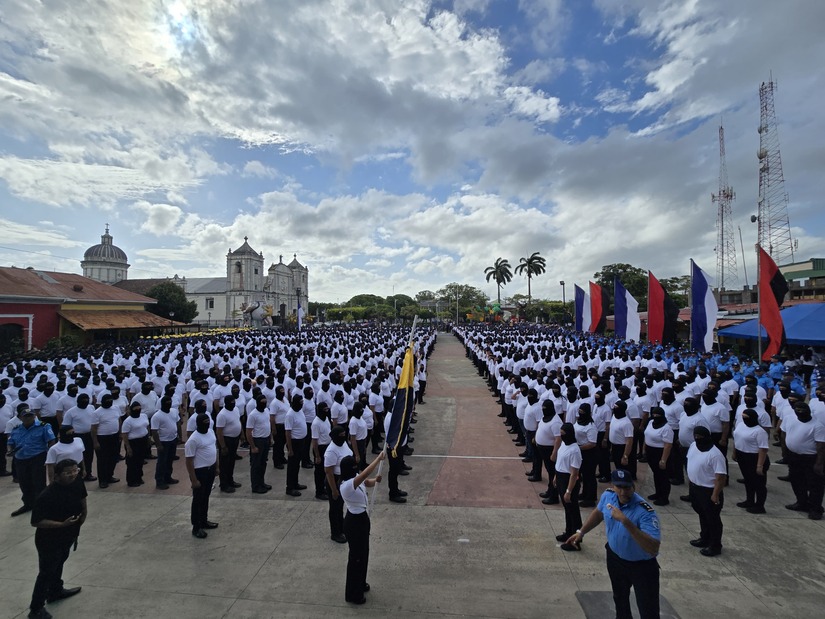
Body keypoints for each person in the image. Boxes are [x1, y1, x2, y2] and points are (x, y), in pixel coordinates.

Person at [566, 469, 661, 619]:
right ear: (613, 486)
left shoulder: (645, 512)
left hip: (642, 567)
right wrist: (581, 532)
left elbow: (653, 547)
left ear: (633, 487)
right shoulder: (608, 496)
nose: (623, 492)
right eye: (619, 487)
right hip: (615, 560)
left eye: (627, 487)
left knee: (648, 608)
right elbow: (598, 514)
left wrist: (626, 521)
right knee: (620, 599)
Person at [27, 459, 87, 619]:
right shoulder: (47, 495)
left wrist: (84, 515)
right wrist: (61, 524)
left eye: (75, 470)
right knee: (46, 572)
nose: (73, 474)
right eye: (68, 472)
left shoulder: (78, 482)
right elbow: (36, 521)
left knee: (59, 562)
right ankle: (36, 609)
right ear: (57, 475)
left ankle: (55, 591)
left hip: (69, 534)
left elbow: (82, 497)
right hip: (49, 540)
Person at [340, 451, 385, 605]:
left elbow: (366, 482)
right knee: (356, 558)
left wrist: (375, 480)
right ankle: (353, 593)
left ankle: (360, 583)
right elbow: (365, 474)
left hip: (362, 519)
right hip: (354, 522)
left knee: (364, 554)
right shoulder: (346, 486)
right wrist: (378, 459)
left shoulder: (354, 479)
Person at [7, 404, 55, 517]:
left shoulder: (44, 426)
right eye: (25, 416)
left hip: (37, 457)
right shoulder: (16, 429)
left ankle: (42, 506)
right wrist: (10, 450)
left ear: (34, 416)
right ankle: (28, 504)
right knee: (24, 483)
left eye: (30, 416)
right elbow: (10, 443)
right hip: (20, 459)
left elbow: (51, 441)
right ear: (20, 418)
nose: (28, 418)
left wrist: (49, 455)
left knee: (39, 483)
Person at [687, 426, 727, 556]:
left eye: (700, 436)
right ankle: (704, 538)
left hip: (708, 490)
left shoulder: (715, 454)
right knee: (702, 514)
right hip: (695, 487)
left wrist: (715, 494)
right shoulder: (693, 445)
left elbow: (720, 477)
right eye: (696, 436)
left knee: (712, 519)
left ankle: (715, 545)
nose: (697, 438)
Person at [185, 413, 219, 539]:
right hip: (199, 472)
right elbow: (189, 461)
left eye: (207, 421)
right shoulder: (193, 439)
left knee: (206, 497)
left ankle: (204, 521)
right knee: (198, 500)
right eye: (204, 422)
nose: (207, 424)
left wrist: (216, 466)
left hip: (210, 469)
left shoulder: (210, 432)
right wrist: (194, 480)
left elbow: (214, 449)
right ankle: (196, 527)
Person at [732, 408, 770, 513]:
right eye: (743, 417)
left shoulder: (759, 431)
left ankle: (759, 505)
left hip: (754, 458)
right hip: (742, 456)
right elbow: (736, 438)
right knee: (748, 481)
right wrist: (734, 452)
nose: (744, 419)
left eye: (746, 418)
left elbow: (763, 449)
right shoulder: (740, 425)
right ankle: (749, 500)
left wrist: (759, 466)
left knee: (759, 484)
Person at [556, 422, 583, 550]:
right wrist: (556, 476)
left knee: (573, 511)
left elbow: (574, 473)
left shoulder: (575, 450)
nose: (561, 436)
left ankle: (576, 540)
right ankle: (568, 533)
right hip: (561, 477)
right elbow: (560, 461)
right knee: (568, 509)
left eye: (563, 434)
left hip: (569, 481)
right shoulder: (564, 444)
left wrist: (568, 491)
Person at [324, 425, 352, 544]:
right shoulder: (331, 450)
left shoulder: (344, 443)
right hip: (335, 480)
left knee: (340, 506)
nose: (343, 436)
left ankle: (341, 528)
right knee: (335, 508)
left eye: (344, 434)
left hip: (344, 479)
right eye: (340, 435)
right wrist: (334, 490)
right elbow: (328, 471)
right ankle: (335, 533)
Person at [644, 406, 674, 506]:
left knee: (663, 476)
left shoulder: (666, 428)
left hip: (660, 453)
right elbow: (646, 435)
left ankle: (664, 497)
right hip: (650, 451)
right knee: (656, 474)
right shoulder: (650, 423)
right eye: (654, 415)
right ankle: (658, 493)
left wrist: (663, 460)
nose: (655, 416)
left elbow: (668, 445)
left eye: (658, 415)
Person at [120, 402, 149, 487]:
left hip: (143, 440)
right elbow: (124, 434)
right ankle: (131, 480)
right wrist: (128, 447)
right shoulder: (127, 421)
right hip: (133, 442)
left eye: (139, 408)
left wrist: (148, 438)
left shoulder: (144, 416)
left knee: (140, 461)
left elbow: (146, 427)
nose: (137, 410)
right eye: (135, 409)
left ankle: (139, 477)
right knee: (132, 462)